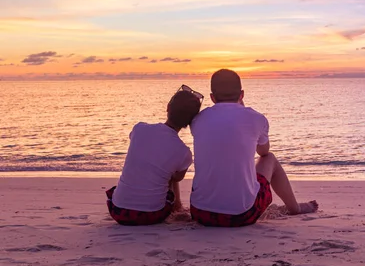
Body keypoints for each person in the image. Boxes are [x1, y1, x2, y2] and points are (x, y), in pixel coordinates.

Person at [190, 69, 318, 227]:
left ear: (212, 97)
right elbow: (263, 152)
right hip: (242, 215)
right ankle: (295, 208)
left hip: (200, 213)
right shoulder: (257, 118)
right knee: (270, 158)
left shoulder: (198, 119)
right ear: (241, 94)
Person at [105, 85, 202, 225]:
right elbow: (176, 178)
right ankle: (177, 206)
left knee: (151, 164)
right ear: (190, 123)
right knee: (169, 171)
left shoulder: (139, 129)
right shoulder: (184, 152)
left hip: (118, 211)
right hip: (153, 215)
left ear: (168, 107)